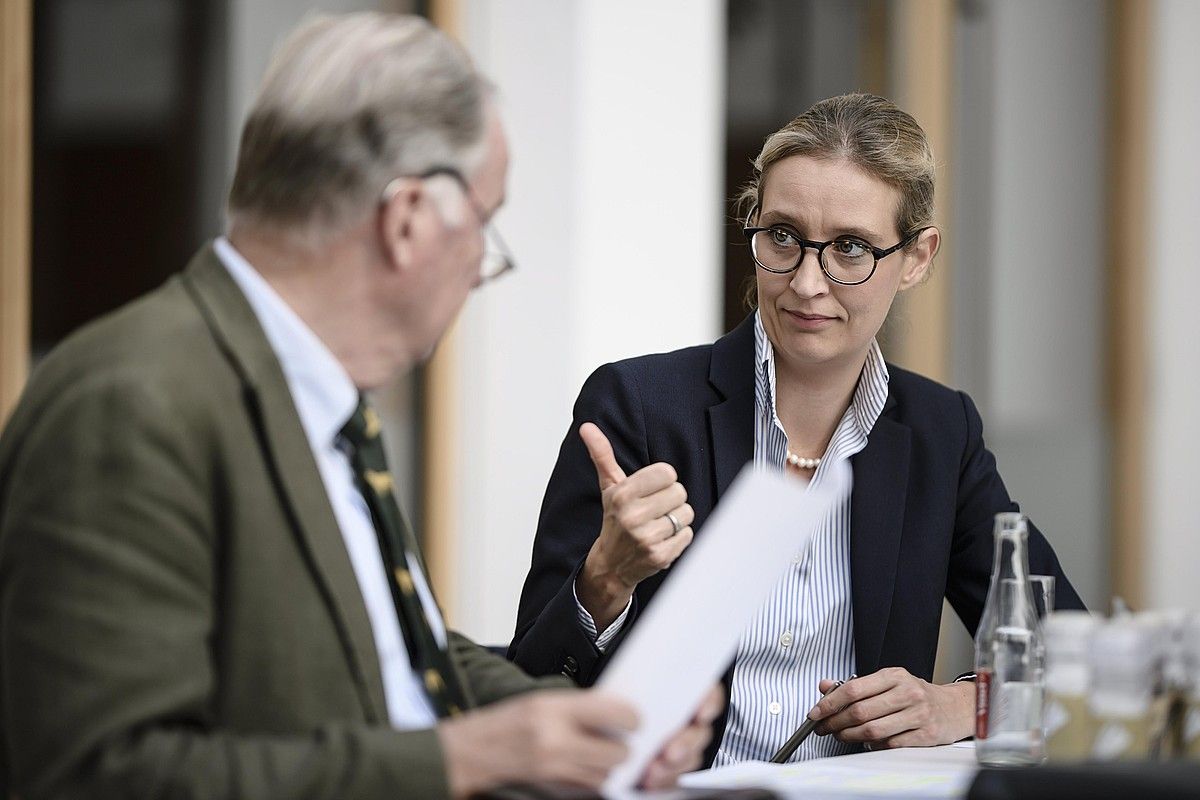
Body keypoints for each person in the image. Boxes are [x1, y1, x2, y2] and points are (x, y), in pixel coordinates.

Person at [0, 13, 719, 799]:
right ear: (408, 220)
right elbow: (101, 776)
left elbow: (402, 657)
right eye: (484, 225)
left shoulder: (321, 403)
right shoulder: (132, 402)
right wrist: (467, 760)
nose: (483, 266)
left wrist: (609, 731)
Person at [509, 93, 1084, 766]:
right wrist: (603, 582)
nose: (808, 282)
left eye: (849, 248)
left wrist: (958, 704)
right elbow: (527, 685)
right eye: (782, 235)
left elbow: (1069, 648)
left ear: (918, 257)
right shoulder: (638, 408)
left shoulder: (938, 432)